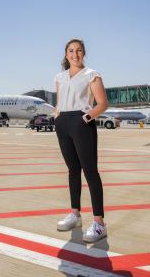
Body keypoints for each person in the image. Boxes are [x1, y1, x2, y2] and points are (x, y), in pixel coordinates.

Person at [54, 38, 109, 243]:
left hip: (81, 122)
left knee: (90, 172)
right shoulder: (59, 77)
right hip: (63, 124)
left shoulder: (91, 75)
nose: (75, 54)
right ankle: (75, 214)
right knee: (72, 171)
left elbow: (102, 104)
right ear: (66, 54)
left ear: (83, 53)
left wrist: (84, 119)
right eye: (71, 51)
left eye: (78, 50)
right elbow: (59, 102)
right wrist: (57, 117)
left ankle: (99, 223)